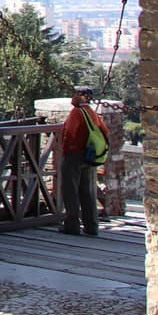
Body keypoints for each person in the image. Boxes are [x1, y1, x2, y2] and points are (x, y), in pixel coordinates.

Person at [59, 84, 110, 236]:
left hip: (74, 154)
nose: (72, 97)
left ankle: (72, 225)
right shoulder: (91, 112)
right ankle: (91, 225)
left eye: (74, 94)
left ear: (81, 96)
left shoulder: (77, 112)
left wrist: (66, 150)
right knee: (87, 191)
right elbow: (104, 130)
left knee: (70, 190)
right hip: (89, 156)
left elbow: (70, 133)